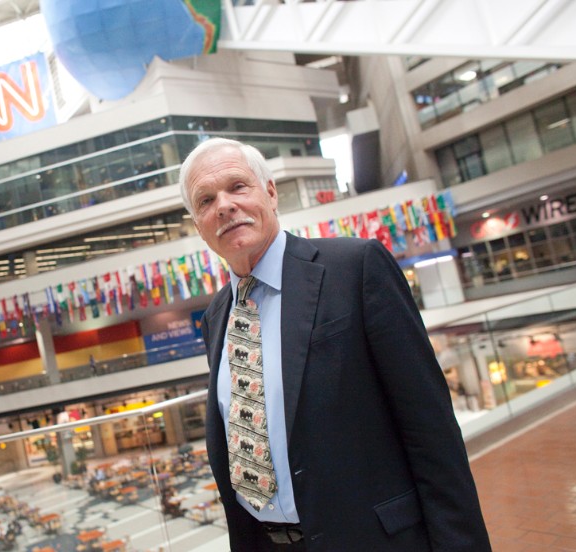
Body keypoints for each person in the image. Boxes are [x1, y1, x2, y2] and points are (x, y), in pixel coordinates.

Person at [178, 138, 491, 551]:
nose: (224, 205)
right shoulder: (217, 316)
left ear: (270, 193)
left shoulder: (356, 269)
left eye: (238, 186)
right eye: (205, 200)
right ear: (199, 226)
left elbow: (431, 432)